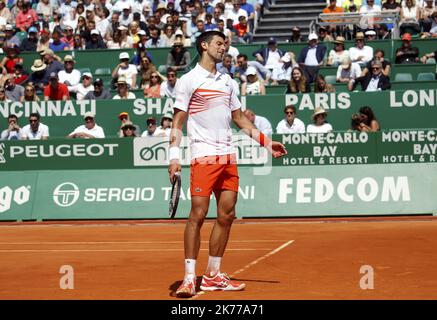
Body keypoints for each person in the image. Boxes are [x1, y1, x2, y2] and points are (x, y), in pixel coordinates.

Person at [169, 30, 286, 298]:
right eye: (219, 43)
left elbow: (241, 120)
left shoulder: (228, 82)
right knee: (198, 214)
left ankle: (212, 275)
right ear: (204, 45)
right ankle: (189, 278)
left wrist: (268, 143)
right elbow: (177, 122)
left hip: (227, 157)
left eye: (226, 44)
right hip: (203, 156)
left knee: (227, 215)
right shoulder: (188, 81)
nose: (224, 48)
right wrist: (174, 156)